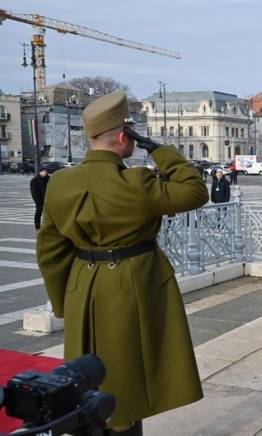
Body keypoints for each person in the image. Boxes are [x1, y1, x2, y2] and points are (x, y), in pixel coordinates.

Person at [36, 91, 207, 435]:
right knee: (126, 384)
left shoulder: (59, 183)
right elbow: (194, 190)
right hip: (131, 284)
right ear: (122, 136)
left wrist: (65, 304)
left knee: (86, 381)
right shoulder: (136, 182)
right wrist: (158, 149)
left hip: (83, 286)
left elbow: (50, 252)